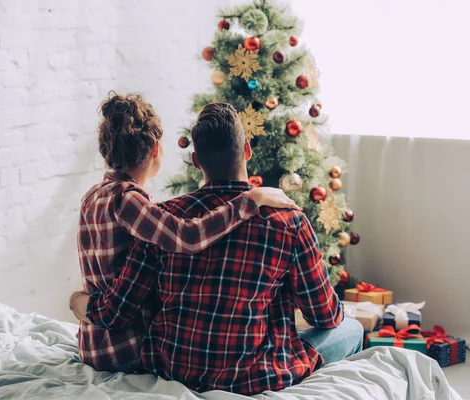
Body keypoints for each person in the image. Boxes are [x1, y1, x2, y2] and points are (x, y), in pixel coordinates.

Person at [71, 103, 363, 395]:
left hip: (171, 368)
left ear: (196, 161)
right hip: (250, 377)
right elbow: (324, 316)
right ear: (247, 150)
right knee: (352, 329)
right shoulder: (288, 220)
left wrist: (80, 302)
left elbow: (126, 300)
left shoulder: (161, 216)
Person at [75, 93, 300, 373]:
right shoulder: (128, 200)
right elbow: (187, 236)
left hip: (92, 342)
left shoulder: (91, 197)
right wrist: (250, 200)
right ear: (156, 149)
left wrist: (80, 303)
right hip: (126, 347)